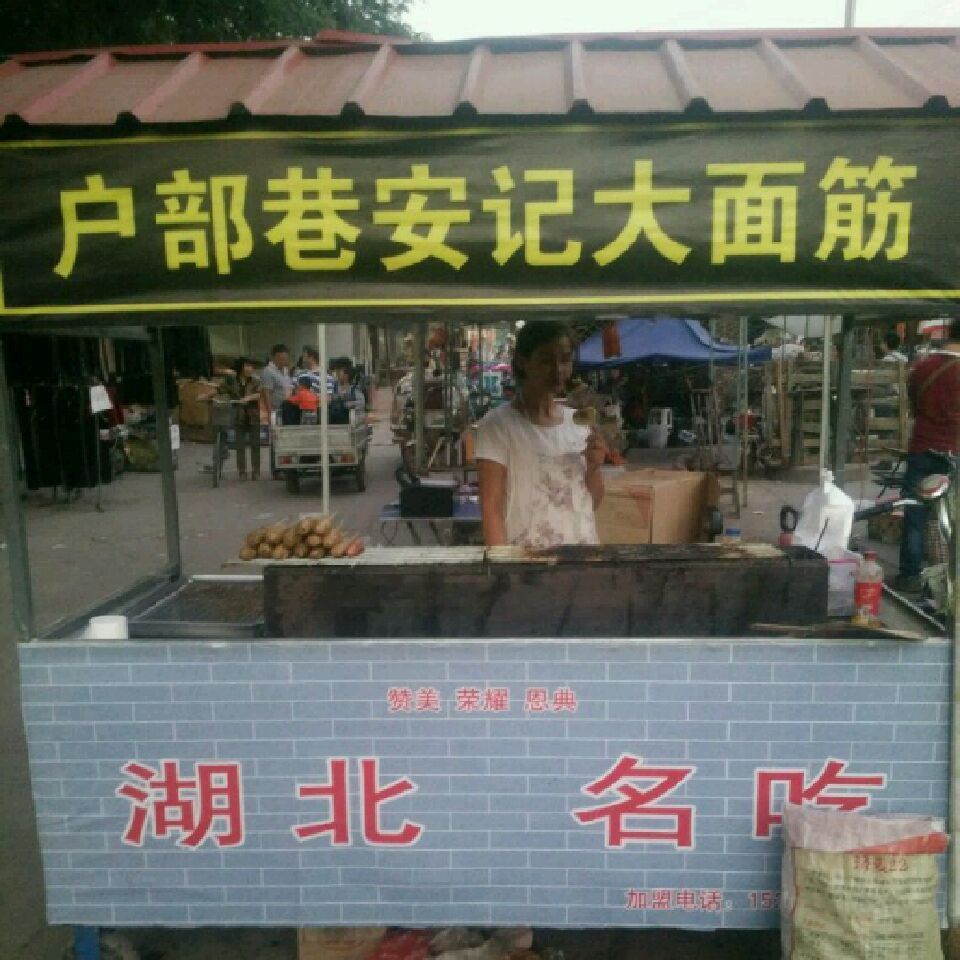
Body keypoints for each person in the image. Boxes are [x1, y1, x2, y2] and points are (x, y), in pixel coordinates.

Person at [476, 320, 606, 549]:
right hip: (528, 560)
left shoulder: (579, 424)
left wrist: (594, 467)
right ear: (523, 362)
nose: (558, 370)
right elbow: (491, 509)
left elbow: (591, 502)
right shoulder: (497, 426)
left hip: (583, 556)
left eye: (565, 360)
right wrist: (502, 565)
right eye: (546, 360)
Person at [895, 318, 960, 594]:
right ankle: (953, 579)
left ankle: (910, 575)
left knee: (915, 514)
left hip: (922, 446)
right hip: (956, 450)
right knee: (955, 518)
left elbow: (914, 405)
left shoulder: (922, 368)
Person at [220, 358, 261, 479]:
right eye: (247, 366)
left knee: (255, 445)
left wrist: (248, 398)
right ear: (240, 367)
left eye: (251, 366)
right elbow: (220, 389)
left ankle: (256, 471)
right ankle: (242, 471)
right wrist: (208, 395)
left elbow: (259, 393)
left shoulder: (255, 380)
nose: (249, 369)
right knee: (240, 446)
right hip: (239, 415)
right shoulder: (232, 380)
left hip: (253, 415)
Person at [260, 344, 293, 423]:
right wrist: (270, 414)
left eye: (285, 359)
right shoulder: (268, 371)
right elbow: (267, 394)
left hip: (286, 410)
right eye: (280, 359)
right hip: (276, 411)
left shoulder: (285, 371)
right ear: (273, 358)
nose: (282, 362)